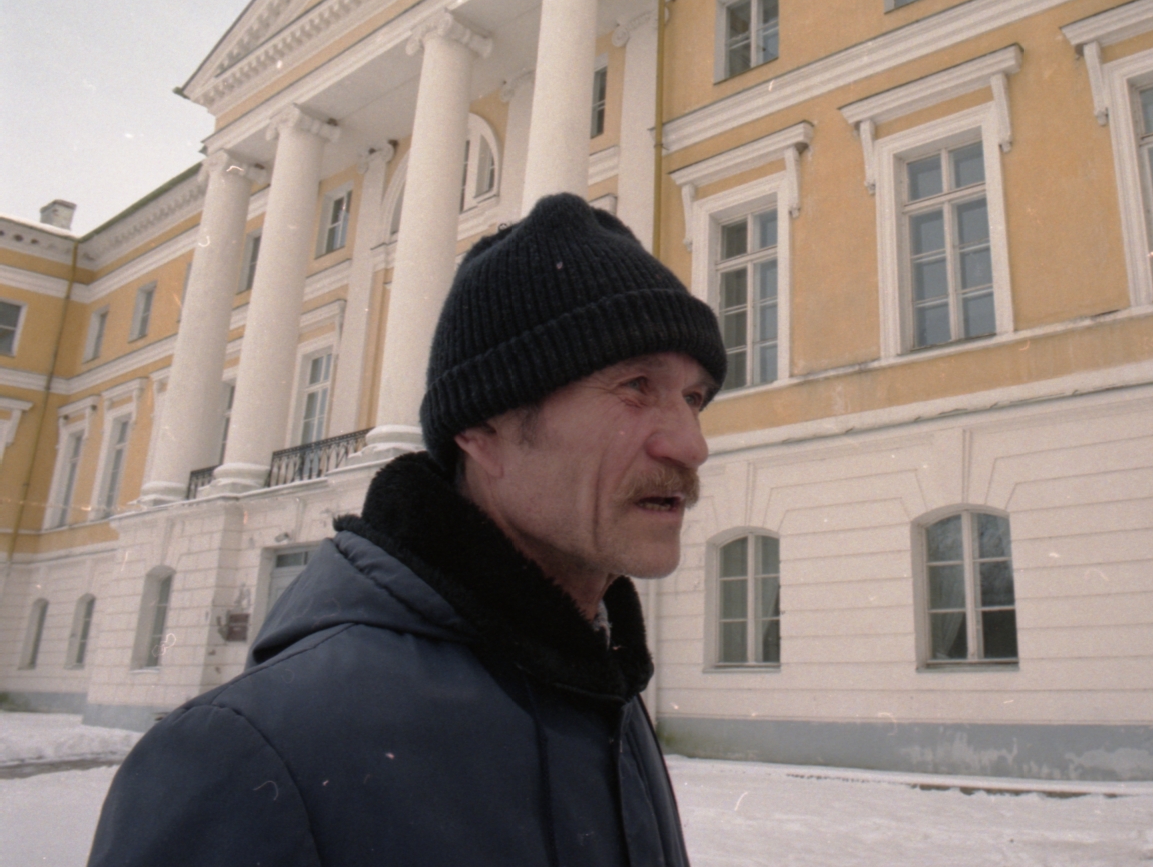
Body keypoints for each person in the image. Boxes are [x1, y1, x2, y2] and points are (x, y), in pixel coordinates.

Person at [88, 193, 728, 866]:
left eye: (693, 397)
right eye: (635, 386)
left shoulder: (605, 695)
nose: (692, 445)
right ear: (481, 429)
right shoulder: (242, 756)